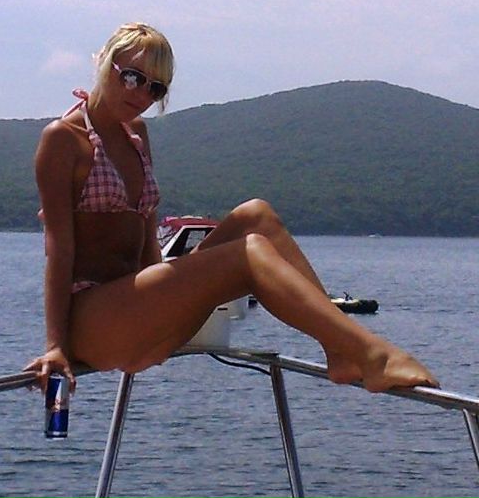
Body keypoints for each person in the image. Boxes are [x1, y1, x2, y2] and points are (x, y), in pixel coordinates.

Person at [25, 22, 438, 395]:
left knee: (257, 216)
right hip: (94, 322)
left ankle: (340, 350)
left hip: (138, 312)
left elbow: (146, 236)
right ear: (104, 62)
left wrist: (165, 301)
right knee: (248, 254)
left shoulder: (136, 135)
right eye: (131, 77)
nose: (141, 95)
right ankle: (373, 356)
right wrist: (56, 346)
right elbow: (60, 249)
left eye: (155, 88)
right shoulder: (63, 139)